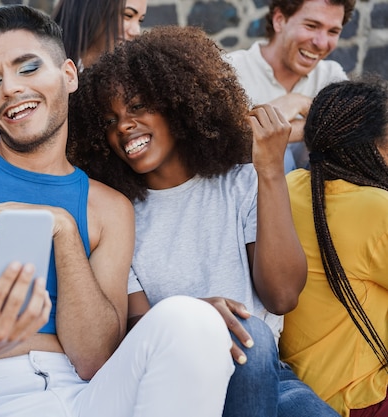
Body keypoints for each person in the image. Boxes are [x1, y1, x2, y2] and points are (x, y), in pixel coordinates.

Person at [0, 5, 235, 417]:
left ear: (69, 75)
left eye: (27, 68)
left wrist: (61, 230)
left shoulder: (108, 207)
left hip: (84, 394)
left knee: (192, 320)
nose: (9, 88)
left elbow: (94, 358)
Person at [67, 25, 339, 417]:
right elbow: (136, 329)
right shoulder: (117, 213)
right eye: (110, 120)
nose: (124, 125)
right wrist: (195, 317)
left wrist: (270, 171)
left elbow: (282, 296)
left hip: (265, 377)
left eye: (139, 106)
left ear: (178, 104)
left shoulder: (241, 181)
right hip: (178, 381)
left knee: (259, 347)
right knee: (252, 337)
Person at [280, 77, 388, 417]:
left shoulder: (290, 185)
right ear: (372, 148)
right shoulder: (376, 208)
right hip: (358, 395)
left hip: (299, 385)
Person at [0, 0, 147, 145]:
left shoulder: (130, 85)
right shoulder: (18, 88)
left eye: (140, 20)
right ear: (94, 10)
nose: (136, 31)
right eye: (127, 15)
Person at [225, 0, 356, 173]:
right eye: (311, 26)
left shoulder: (331, 75)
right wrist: (320, 126)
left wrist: (299, 103)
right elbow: (224, 142)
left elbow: (356, 131)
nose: (322, 43)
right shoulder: (228, 71)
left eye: (333, 31)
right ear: (279, 20)